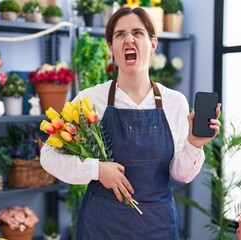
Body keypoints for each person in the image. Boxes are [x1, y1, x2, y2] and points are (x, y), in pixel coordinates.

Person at [40, 7, 221, 240]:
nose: (129, 39)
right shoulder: (90, 99)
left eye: (138, 32)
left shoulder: (174, 102)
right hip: (101, 226)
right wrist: (96, 170)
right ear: (110, 47)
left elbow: (180, 174)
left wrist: (194, 144)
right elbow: (48, 155)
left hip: (157, 226)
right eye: (120, 34)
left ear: (153, 43)